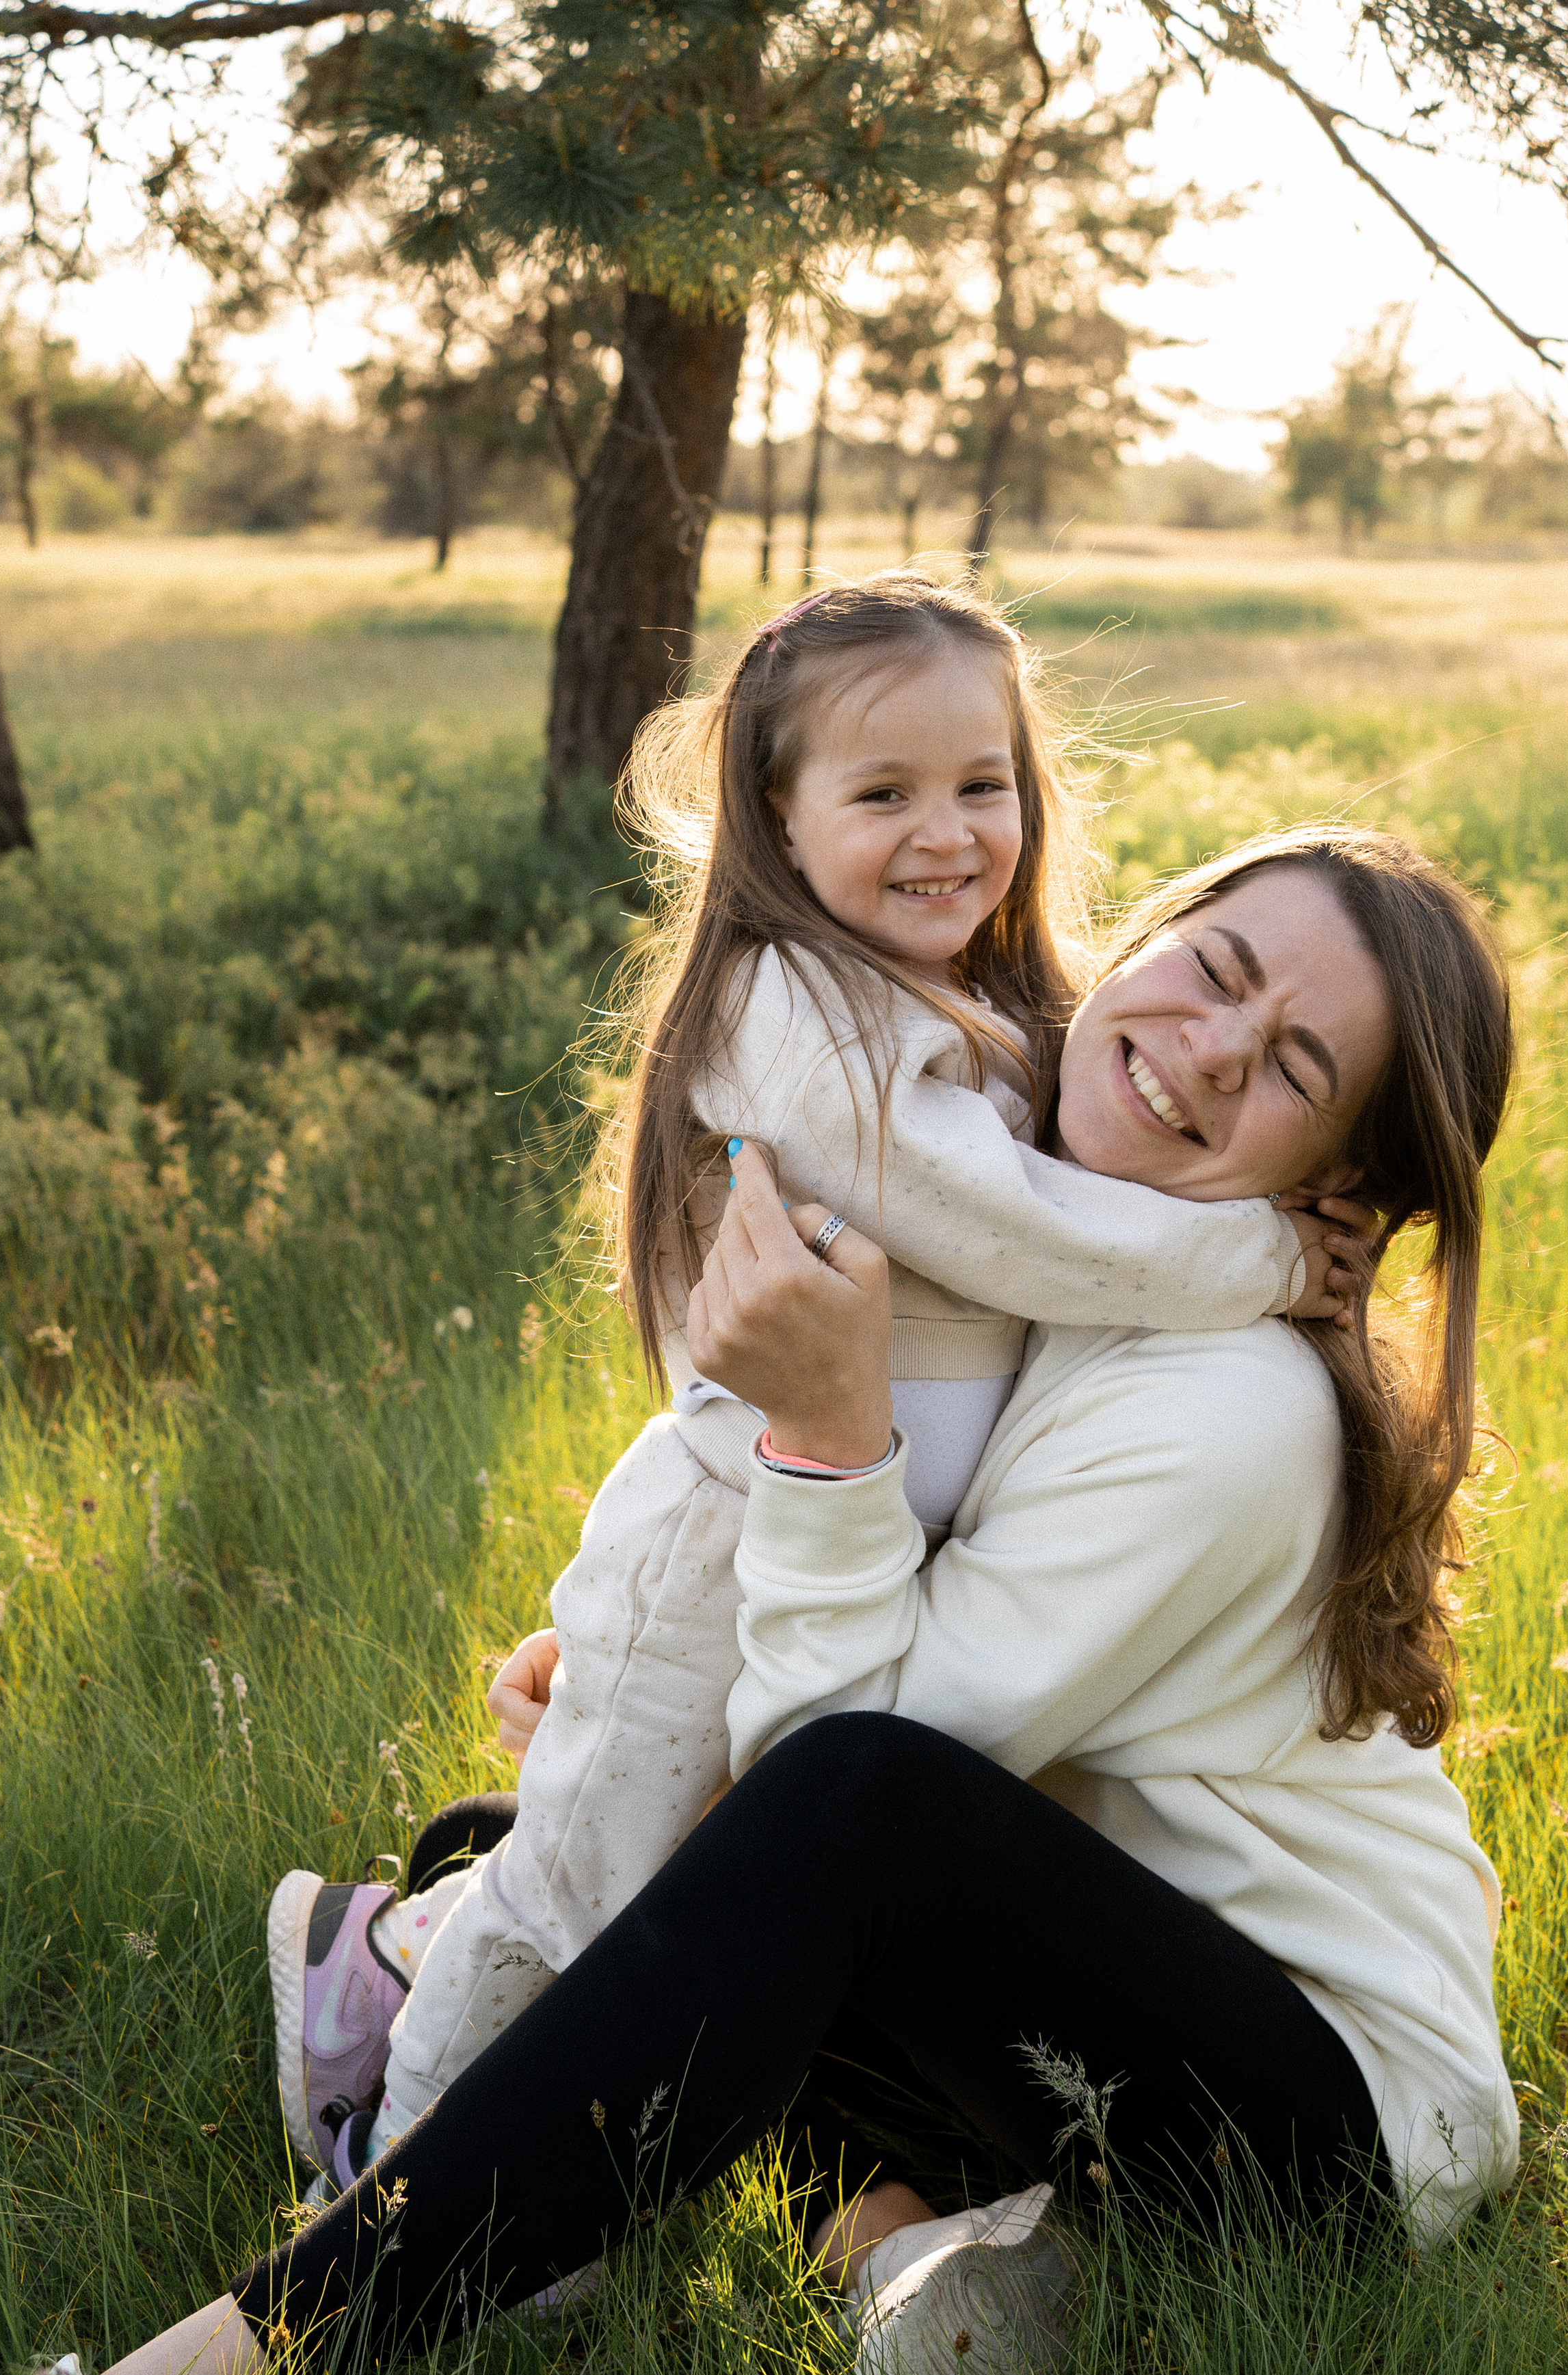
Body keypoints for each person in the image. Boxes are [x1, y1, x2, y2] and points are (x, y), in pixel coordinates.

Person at [0, 826, 1519, 2375]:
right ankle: (922, 2253)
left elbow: (846, 1787)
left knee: (761, 1850)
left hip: (1320, 2129)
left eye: (1298, 1068)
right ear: (1150, 929)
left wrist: (832, 1434)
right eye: (1218, 965)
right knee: (547, 1853)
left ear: (1345, 1183)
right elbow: (866, 1709)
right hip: (1100, 2001)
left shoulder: (1232, 1407)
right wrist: (634, 1687)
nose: (1210, 1045)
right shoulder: (1067, 1246)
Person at [266, 573, 1361, 2202]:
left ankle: (395, 1994)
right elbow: (1014, 1228)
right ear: (775, 821)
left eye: (981, 785)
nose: (948, 832)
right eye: (882, 793)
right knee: (582, 1890)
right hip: (727, 1538)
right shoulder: (791, 1011)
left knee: (671, 1890)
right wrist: (1265, 1261)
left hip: (845, 1546)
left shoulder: (967, 1005)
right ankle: (395, 2161)